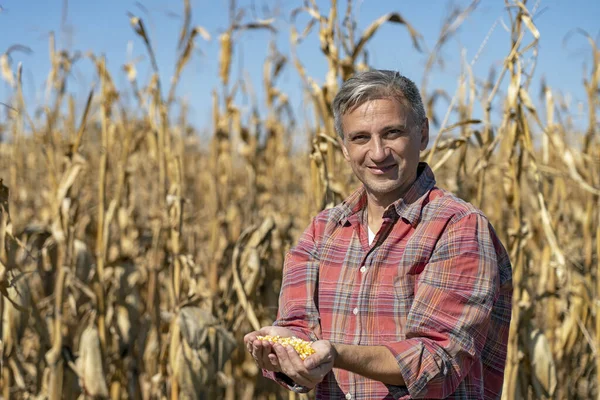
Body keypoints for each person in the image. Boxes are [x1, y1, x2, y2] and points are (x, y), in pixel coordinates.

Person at [244, 70, 512, 399]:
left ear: (423, 134)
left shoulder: (458, 226)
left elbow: (437, 361)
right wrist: (280, 351)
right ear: (344, 148)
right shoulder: (322, 230)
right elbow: (297, 329)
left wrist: (335, 355)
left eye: (392, 133)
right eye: (360, 138)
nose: (378, 152)